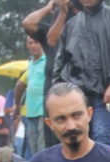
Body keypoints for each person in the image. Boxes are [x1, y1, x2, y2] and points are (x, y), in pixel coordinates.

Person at [53, 0, 110, 146]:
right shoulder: (71, 25)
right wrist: (57, 91)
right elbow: (60, 62)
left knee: (101, 140)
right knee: (73, 141)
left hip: (103, 96)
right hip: (74, 97)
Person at [22, 0, 75, 148]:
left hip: (75, 95)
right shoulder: (48, 33)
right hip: (51, 95)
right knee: (49, 143)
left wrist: (64, 11)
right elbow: (28, 23)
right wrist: (49, 6)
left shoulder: (80, 29)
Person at [14, 36, 46, 155]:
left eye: (36, 42)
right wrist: (17, 105)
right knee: (33, 147)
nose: (33, 45)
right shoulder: (31, 63)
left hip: (44, 111)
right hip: (30, 112)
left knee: (43, 147)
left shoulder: (48, 61)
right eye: (30, 43)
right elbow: (19, 85)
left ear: (42, 44)